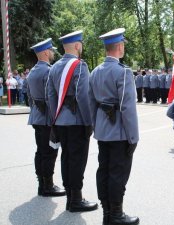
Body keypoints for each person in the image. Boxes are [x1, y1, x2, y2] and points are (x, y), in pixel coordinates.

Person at [89, 28, 139, 225]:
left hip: (103, 132)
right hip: (119, 133)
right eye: (123, 44)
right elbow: (128, 108)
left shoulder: (95, 72)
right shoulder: (123, 72)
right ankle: (116, 215)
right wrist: (133, 137)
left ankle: (107, 212)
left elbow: (91, 103)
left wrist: (96, 127)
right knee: (118, 173)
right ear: (119, 46)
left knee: (104, 170)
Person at [47, 31, 98, 212]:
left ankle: (70, 197)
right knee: (77, 160)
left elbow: (50, 96)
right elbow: (83, 97)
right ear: (77, 46)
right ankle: (76, 200)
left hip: (60, 121)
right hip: (77, 122)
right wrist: (89, 122)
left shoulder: (53, 67)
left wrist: (56, 118)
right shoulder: (79, 65)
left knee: (66, 158)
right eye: (81, 44)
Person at [27, 38, 65, 197]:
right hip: (47, 117)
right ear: (44, 52)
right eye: (50, 50)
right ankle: (48, 186)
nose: (52, 53)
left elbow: (29, 97)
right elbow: (51, 97)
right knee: (50, 151)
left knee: (40, 151)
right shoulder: (48, 71)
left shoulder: (32, 72)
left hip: (36, 116)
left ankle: (41, 183)